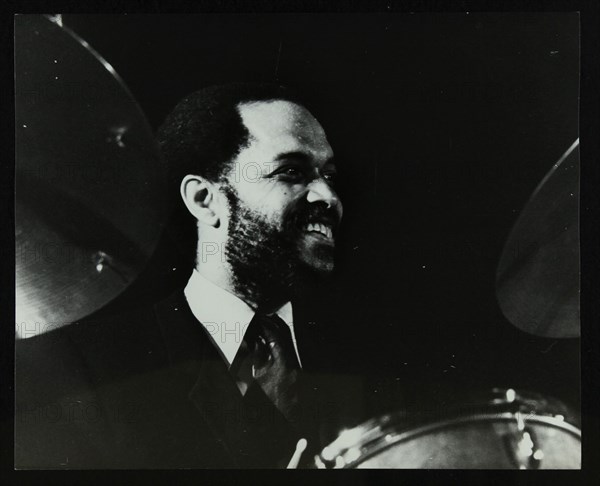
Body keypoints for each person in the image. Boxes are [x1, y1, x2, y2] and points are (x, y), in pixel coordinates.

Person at [15, 83, 357, 469]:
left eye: (329, 174)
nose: (327, 196)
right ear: (203, 200)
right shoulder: (89, 371)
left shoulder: (373, 349)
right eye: (291, 171)